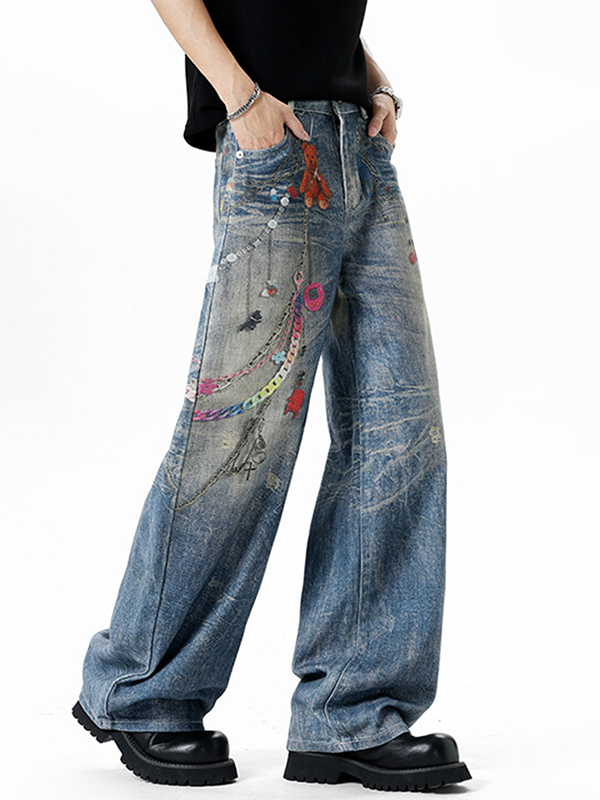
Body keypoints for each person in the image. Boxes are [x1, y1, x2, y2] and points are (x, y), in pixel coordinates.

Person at [72, 0, 472, 791]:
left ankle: (352, 714)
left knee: (400, 432)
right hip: (275, 139)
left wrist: (370, 79)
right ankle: (141, 691)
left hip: (356, 141)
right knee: (239, 439)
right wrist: (241, 97)